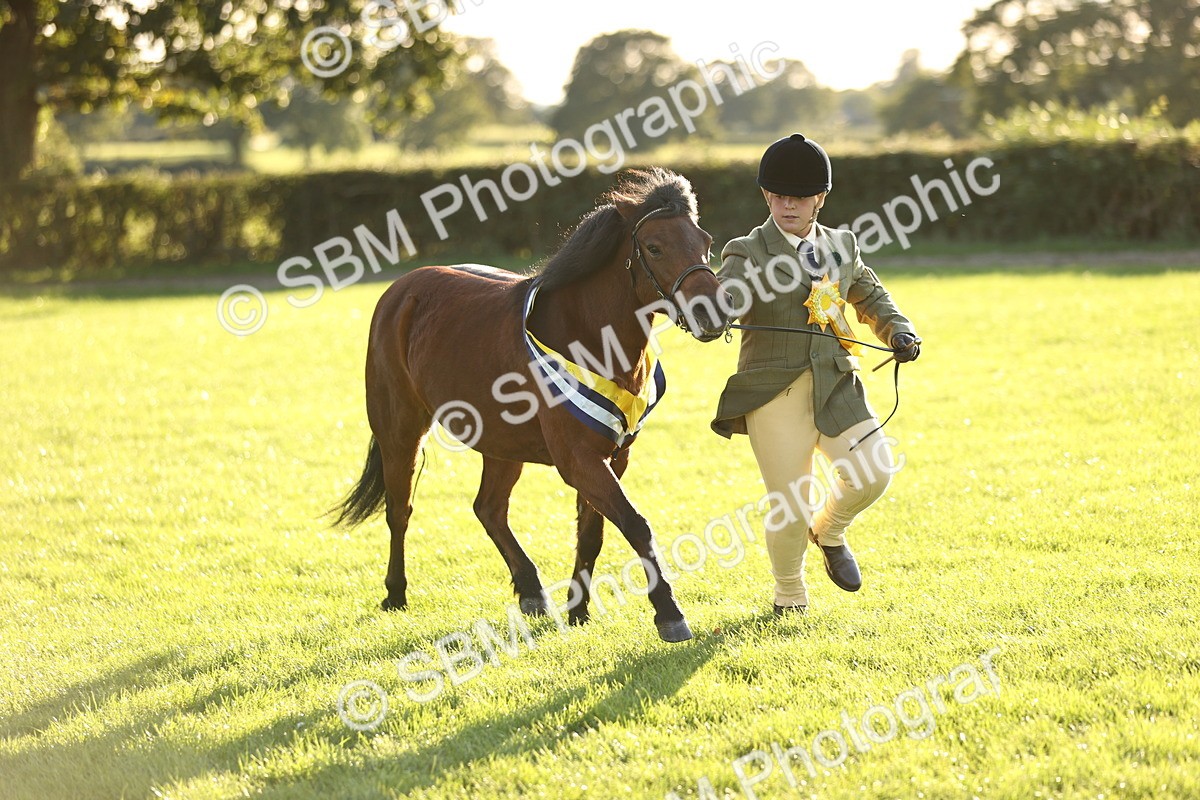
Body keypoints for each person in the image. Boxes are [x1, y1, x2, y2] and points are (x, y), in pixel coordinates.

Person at [711, 132, 921, 616]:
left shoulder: (843, 245)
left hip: (836, 381)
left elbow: (870, 296)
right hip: (773, 392)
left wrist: (899, 332)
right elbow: (729, 292)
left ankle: (830, 531)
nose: (788, 205)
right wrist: (718, 306)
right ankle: (789, 596)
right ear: (766, 196)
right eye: (778, 196)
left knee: (875, 472)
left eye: (799, 197)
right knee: (789, 506)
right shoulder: (745, 250)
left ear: (820, 199)